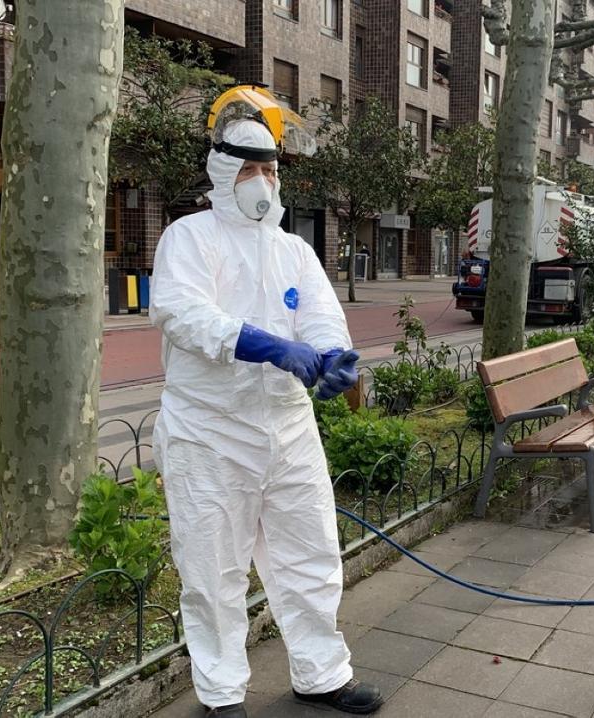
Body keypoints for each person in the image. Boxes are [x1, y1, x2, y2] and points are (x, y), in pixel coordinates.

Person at [149, 105, 381, 717]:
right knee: (213, 569)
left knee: (310, 554)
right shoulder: (188, 238)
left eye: (271, 170)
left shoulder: (293, 250)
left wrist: (333, 357)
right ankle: (222, 694)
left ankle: (321, 674)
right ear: (222, 173)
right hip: (209, 429)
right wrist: (266, 345)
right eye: (250, 169)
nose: (263, 181)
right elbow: (181, 313)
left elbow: (321, 314)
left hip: (287, 425)